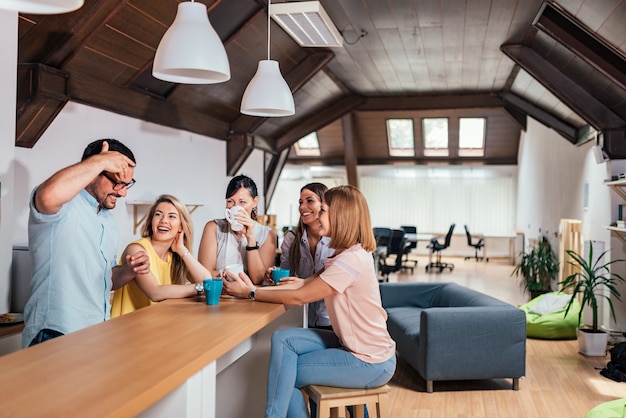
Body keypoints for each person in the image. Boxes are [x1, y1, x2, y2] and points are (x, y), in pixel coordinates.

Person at [222, 185, 397, 418]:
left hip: (369, 361)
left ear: (340, 216)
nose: (317, 215)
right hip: (357, 348)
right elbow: (303, 284)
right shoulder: (343, 255)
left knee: (289, 373)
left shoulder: (350, 261)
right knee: (284, 339)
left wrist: (249, 293)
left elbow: (300, 297)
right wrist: (255, 286)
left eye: (323, 210)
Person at [22, 139, 150, 348]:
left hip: (96, 332)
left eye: (127, 185)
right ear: (94, 170)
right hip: (55, 333)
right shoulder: (64, 203)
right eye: (117, 182)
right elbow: (46, 197)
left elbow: (106, 279)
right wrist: (100, 161)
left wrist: (129, 270)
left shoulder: (107, 220)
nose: (123, 192)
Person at [111, 194, 212, 317]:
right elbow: (155, 292)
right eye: (158, 214)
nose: (163, 220)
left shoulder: (174, 257)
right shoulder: (136, 250)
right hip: (127, 329)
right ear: (151, 221)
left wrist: (181, 249)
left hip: (155, 327)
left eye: (172, 216)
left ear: (181, 226)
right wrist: (199, 288)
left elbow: (207, 280)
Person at [198, 174, 276, 284]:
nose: (235, 207)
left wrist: (251, 238)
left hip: (251, 298)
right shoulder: (213, 228)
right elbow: (203, 273)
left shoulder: (267, 234)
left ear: (255, 202)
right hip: (220, 295)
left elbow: (258, 279)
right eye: (230, 201)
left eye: (242, 202)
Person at [277, 182, 334, 329]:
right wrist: (274, 276)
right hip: (300, 319)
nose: (302, 207)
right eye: (300, 202)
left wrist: (252, 292)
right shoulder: (291, 238)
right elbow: (286, 279)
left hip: (332, 322)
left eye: (310, 201)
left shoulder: (337, 241)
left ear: (324, 206)